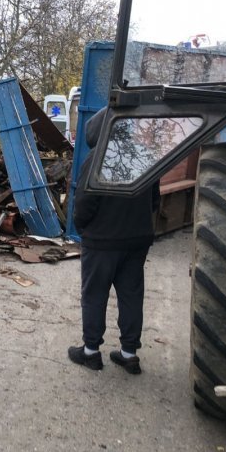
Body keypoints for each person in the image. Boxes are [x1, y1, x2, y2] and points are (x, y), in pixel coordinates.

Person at [68, 108, 160, 375]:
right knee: (131, 296)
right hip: (137, 241)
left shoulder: (96, 159)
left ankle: (90, 352)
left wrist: (82, 228)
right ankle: (129, 355)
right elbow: (155, 199)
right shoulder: (145, 156)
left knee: (94, 295)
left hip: (102, 241)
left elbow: (84, 202)